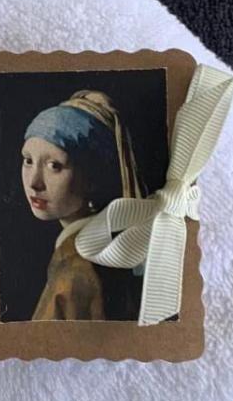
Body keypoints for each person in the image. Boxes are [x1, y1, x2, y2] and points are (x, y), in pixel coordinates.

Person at [21, 89, 144, 322]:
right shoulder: (94, 249)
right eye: (28, 161)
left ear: (92, 177)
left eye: (54, 166)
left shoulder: (78, 272)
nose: (34, 182)